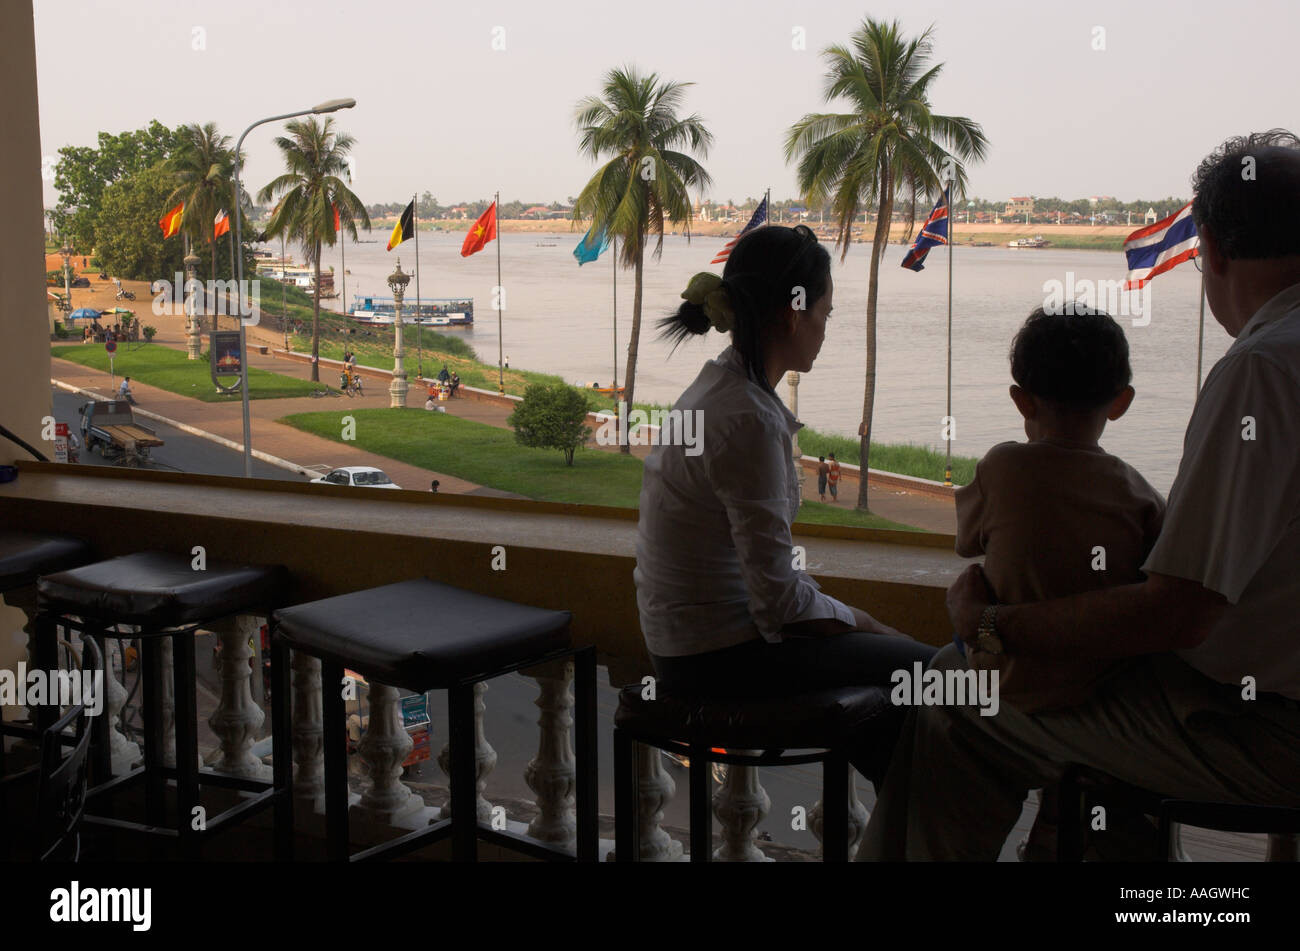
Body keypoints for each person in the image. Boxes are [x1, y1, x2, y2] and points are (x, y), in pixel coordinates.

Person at [859, 129, 1300, 861]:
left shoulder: (1262, 367)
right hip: (1252, 702)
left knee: (951, 691)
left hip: (1264, 730)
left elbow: (1179, 610)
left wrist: (993, 623)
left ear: (1212, 252)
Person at [634, 224, 935, 789]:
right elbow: (781, 605)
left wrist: (856, 631)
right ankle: (926, 828)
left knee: (895, 708)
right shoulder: (748, 417)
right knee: (932, 671)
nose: (825, 328)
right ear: (794, 315)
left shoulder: (719, 389)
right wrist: (866, 624)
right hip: (717, 662)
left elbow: (769, 581)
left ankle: (911, 821)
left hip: (687, 649)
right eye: (825, 312)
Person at [954, 305, 1166, 859]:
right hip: (1097, 685)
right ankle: (1059, 824)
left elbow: (968, 543)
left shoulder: (1000, 467)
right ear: (1120, 402)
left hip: (1006, 680)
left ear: (1021, 399)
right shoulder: (1137, 491)